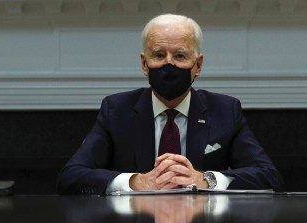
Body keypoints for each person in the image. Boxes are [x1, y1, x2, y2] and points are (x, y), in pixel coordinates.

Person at [57, 14, 282, 195]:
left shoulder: (225, 110)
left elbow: (269, 176)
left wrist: (206, 179)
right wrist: (136, 182)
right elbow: (71, 177)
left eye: (180, 56)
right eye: (159, 55)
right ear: (145, 64)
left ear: (198, 65)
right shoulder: (117, 110)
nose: (168, 64)